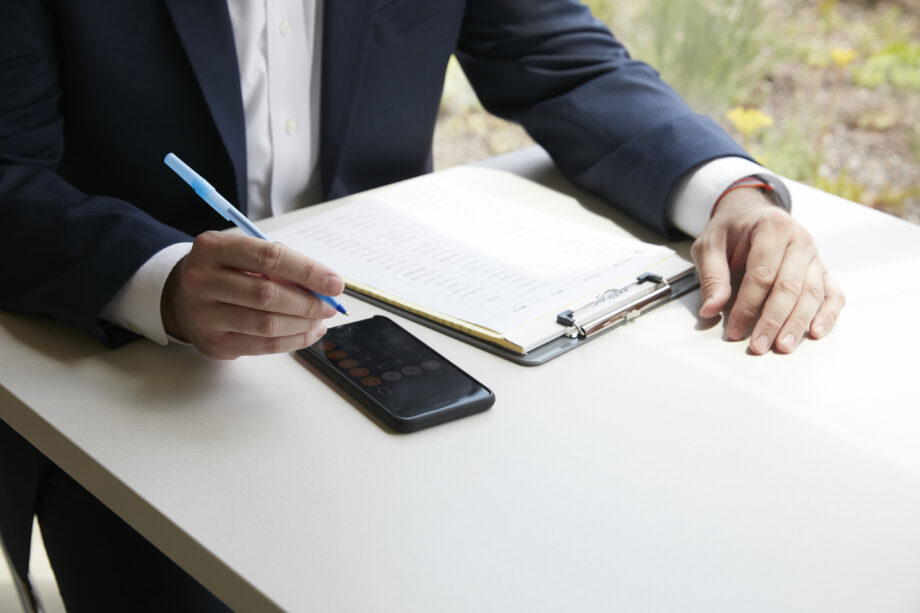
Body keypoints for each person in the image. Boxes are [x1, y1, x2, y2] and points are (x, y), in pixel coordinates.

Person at [0, 0, 844, 610]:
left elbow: (566, 61)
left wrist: (731, 192)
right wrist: (162, 282)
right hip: (120, 375)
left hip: (394, 337)